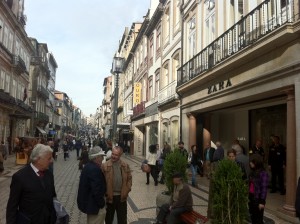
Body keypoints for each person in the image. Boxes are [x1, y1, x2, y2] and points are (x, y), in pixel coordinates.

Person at [6, 144, 57, 224]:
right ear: (39, 159)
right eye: (49, 158)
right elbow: (12, 206)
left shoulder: (49, 174)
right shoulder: (20, 177)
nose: (51, 161)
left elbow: (53, 196)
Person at [102, 146, 132, 224]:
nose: (113, 156)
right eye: (113, 154)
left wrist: (127, 190)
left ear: (120, 155)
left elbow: (129, 179)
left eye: (116, 155)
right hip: (110, 197)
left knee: (122, 220)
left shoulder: (125, 165)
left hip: (121, 197)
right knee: (108, 220)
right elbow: (101, 181)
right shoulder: (105, 165)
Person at [77, 146, 107, 224]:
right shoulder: (94, 169)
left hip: (91, 205)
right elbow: (96, 190)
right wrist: (102, 203)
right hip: (95, 207)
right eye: (101, 157)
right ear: (96, 158)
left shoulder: (89, 166)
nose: (102, 159)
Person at [248, 154, 269, 224]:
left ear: (257, 162)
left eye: (252, 162)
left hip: (258, 199)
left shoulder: (263, 173)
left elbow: (264, 188)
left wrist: (262, 202)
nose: (250, 163)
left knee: (258, 220)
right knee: (253, 218)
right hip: (251, 198)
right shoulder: (252, 172)